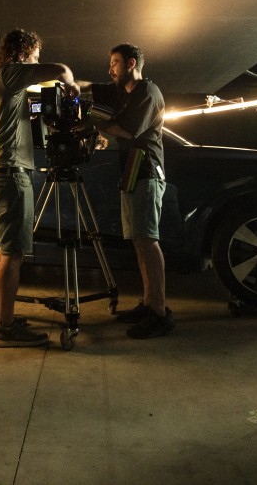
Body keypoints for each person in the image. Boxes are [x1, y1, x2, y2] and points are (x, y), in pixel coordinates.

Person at [0, 28, 78, 348]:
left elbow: (22, 115)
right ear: (22, 54)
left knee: (5, 247)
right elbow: (60, 69)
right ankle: (6, 329)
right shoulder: (11, 73)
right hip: (11, 174)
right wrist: (72, 86)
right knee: (15, 252)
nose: (36, 63)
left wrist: (40, 115)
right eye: (34, 57)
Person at [76, 43, 174, 339]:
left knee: (148, 240)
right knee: (139, 242)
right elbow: (90, 87)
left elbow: (127, 131)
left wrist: (91, 119)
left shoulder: (147, 92)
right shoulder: (123, 91)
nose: (110, 69)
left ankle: (159, 313)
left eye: (115, 63)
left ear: (131, 63)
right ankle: (148, 304)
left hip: (147, 173)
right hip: (132, 173)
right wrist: (68, 85)